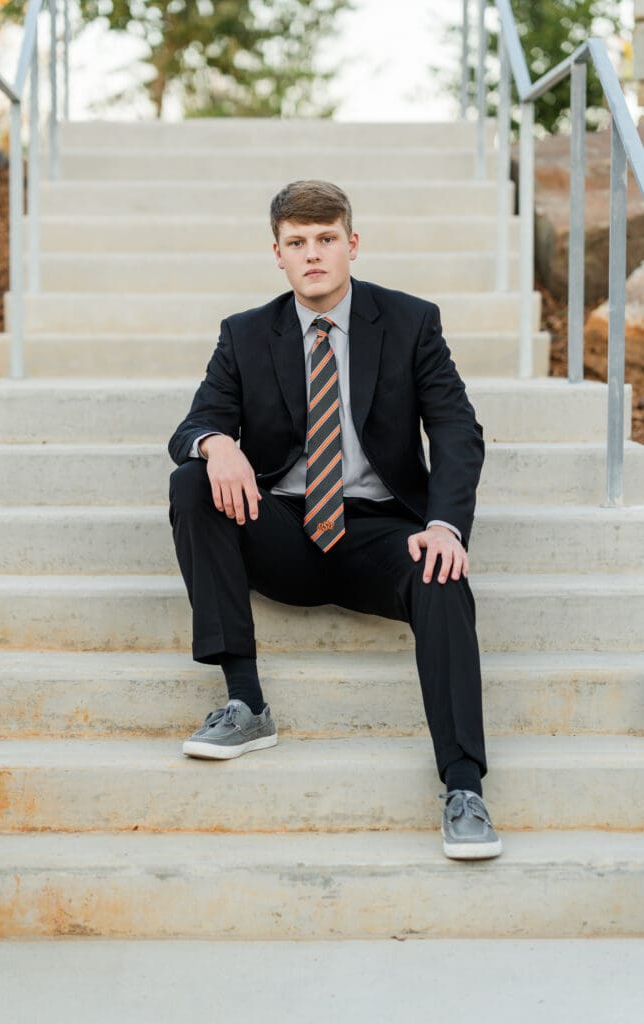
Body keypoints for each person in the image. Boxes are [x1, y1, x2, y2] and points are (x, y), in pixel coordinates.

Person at [168, 179, 502, 860]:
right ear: (278, 255)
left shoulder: (409, 321)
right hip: (284, 529)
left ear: (351, 244)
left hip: (379, 532)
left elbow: (456, 431)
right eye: (297, 243)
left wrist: (445, 526)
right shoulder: (245, 333)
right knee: (192, 483)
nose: (312, 254)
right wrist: (218, 444)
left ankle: (463, 786)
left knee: (440, 575)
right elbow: (195, 422)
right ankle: (245, 703)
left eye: (326, 239)